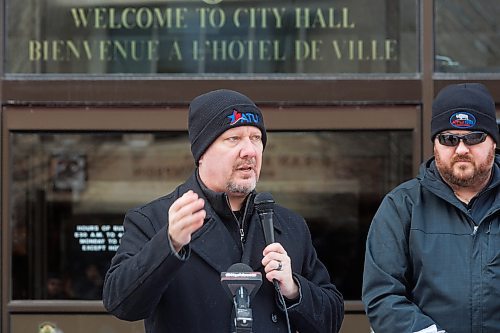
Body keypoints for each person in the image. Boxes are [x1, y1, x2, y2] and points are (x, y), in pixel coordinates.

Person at [102, 89, 344, 332]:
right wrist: (169, 244)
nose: (249, 151)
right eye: (234, 139)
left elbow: (332, 319)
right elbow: (121, 303)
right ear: (202, 153)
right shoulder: (153, 220)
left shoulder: (290, 225)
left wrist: (293, 289)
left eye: (256, 138)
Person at [362, 83, 500, 333]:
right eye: (448, 138)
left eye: (474, 137)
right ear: (435, 144)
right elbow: (382, 296)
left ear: (493, 142)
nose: (461, 149)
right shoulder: (401, 207)